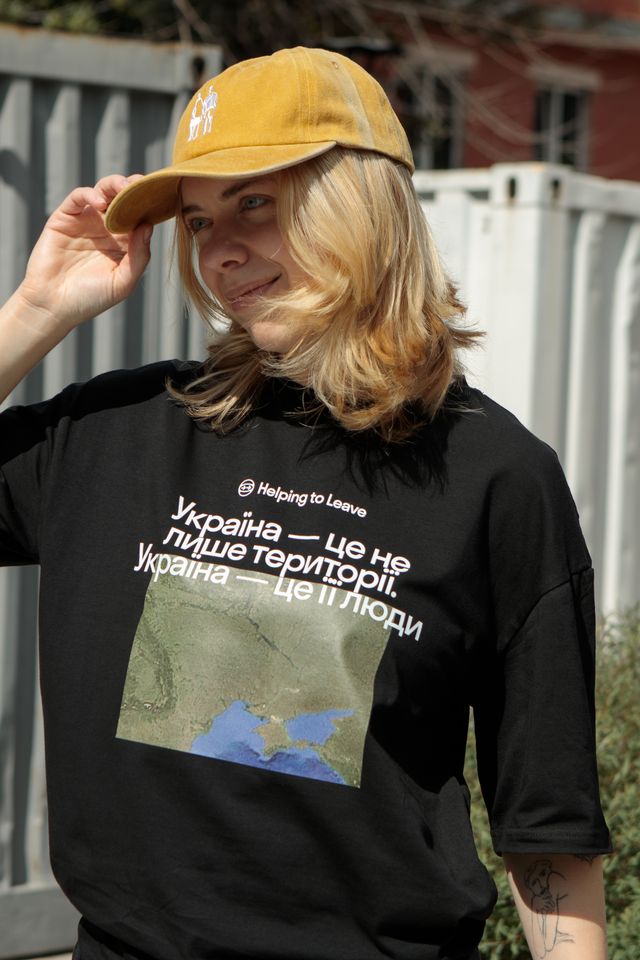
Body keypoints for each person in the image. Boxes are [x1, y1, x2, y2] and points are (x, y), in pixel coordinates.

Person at [0, 46, 611, 960]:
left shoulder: (495, 475)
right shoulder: (115, 432)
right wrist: (36, 310)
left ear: (359, 203)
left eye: (255, 203)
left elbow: (547, 825)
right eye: (199, 221)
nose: (221, 249)